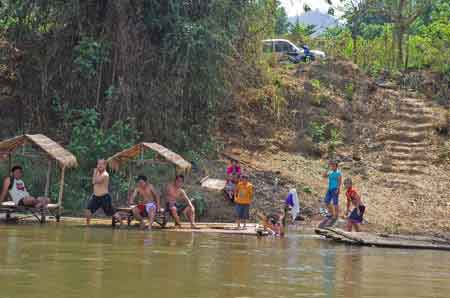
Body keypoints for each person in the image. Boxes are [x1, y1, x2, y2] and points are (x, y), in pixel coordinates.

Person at [85, 159, 115, 225]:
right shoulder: (98, 172)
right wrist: (96, 172)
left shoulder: (105, 174)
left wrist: (94, 172)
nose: (99, 166)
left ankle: (121, 223)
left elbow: (94, 181)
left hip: (104, 197)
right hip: (95, 197)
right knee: (88, 210)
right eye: (98, 164)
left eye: (101, 164)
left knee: (111, 213)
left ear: (105, 165)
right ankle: (87, 225)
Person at [321, 160, 342, 227]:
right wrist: (327, 169)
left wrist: (338, 189)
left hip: (335, 188)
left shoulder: (338, 173)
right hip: (329, 189)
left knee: (335, 203)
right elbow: (324, 176)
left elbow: (339, 181)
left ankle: (336, 215)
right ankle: (331, 213)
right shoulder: (330, 172)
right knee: (326, 201)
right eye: (331, 165)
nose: (332, 166)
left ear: (336, 166)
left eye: (333, 165)